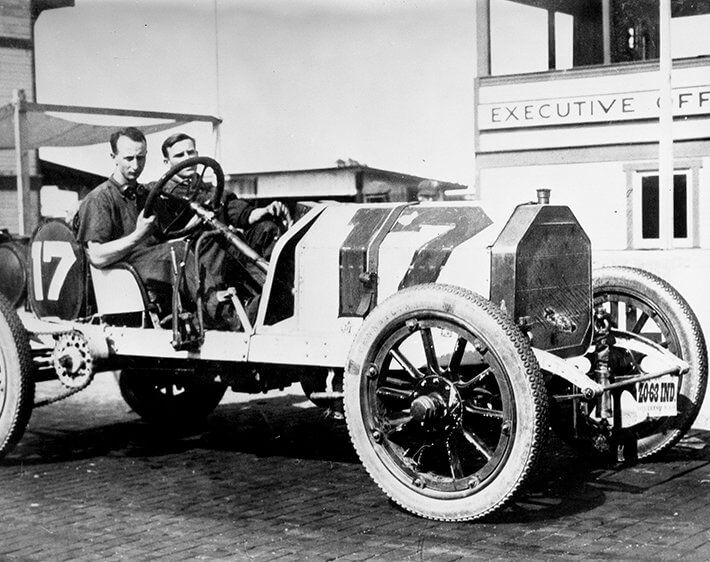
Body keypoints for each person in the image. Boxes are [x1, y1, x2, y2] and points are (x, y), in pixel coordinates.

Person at [160, 132, 290, 259]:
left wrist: (266, 210)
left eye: (191, 152)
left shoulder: (213, 192)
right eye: (179, 155)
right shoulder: (159, 196)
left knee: (267, 229)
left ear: (197, 154)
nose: (188, 158)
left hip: (226, 254)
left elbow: (242, 213)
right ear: (167, 162)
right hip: (192, 258)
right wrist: (196, 221)